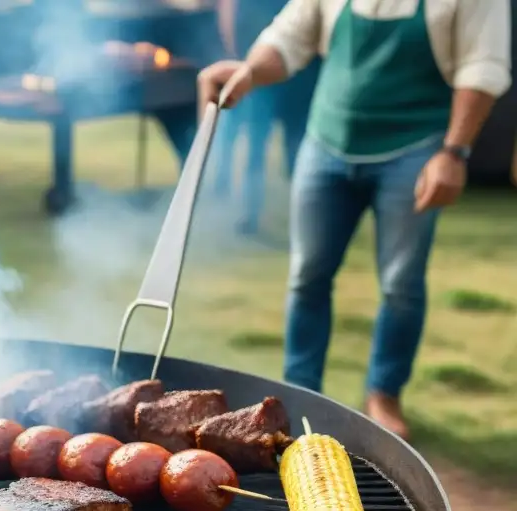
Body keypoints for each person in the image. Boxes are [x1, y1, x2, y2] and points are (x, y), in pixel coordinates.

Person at [197, 0, 512, 440]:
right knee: (307, 276)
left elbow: (482, 68)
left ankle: (383, 394)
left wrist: (454, 153)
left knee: (400, 282)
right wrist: (247, 72)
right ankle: (300, 392)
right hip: (326, 142)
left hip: (414, 149)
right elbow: (289, 36)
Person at [211, 0, 294, 234]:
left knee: (254, 141)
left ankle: (249, 212)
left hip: (261, 73)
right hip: (243, 65)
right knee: (230, 132)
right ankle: (222, 190)